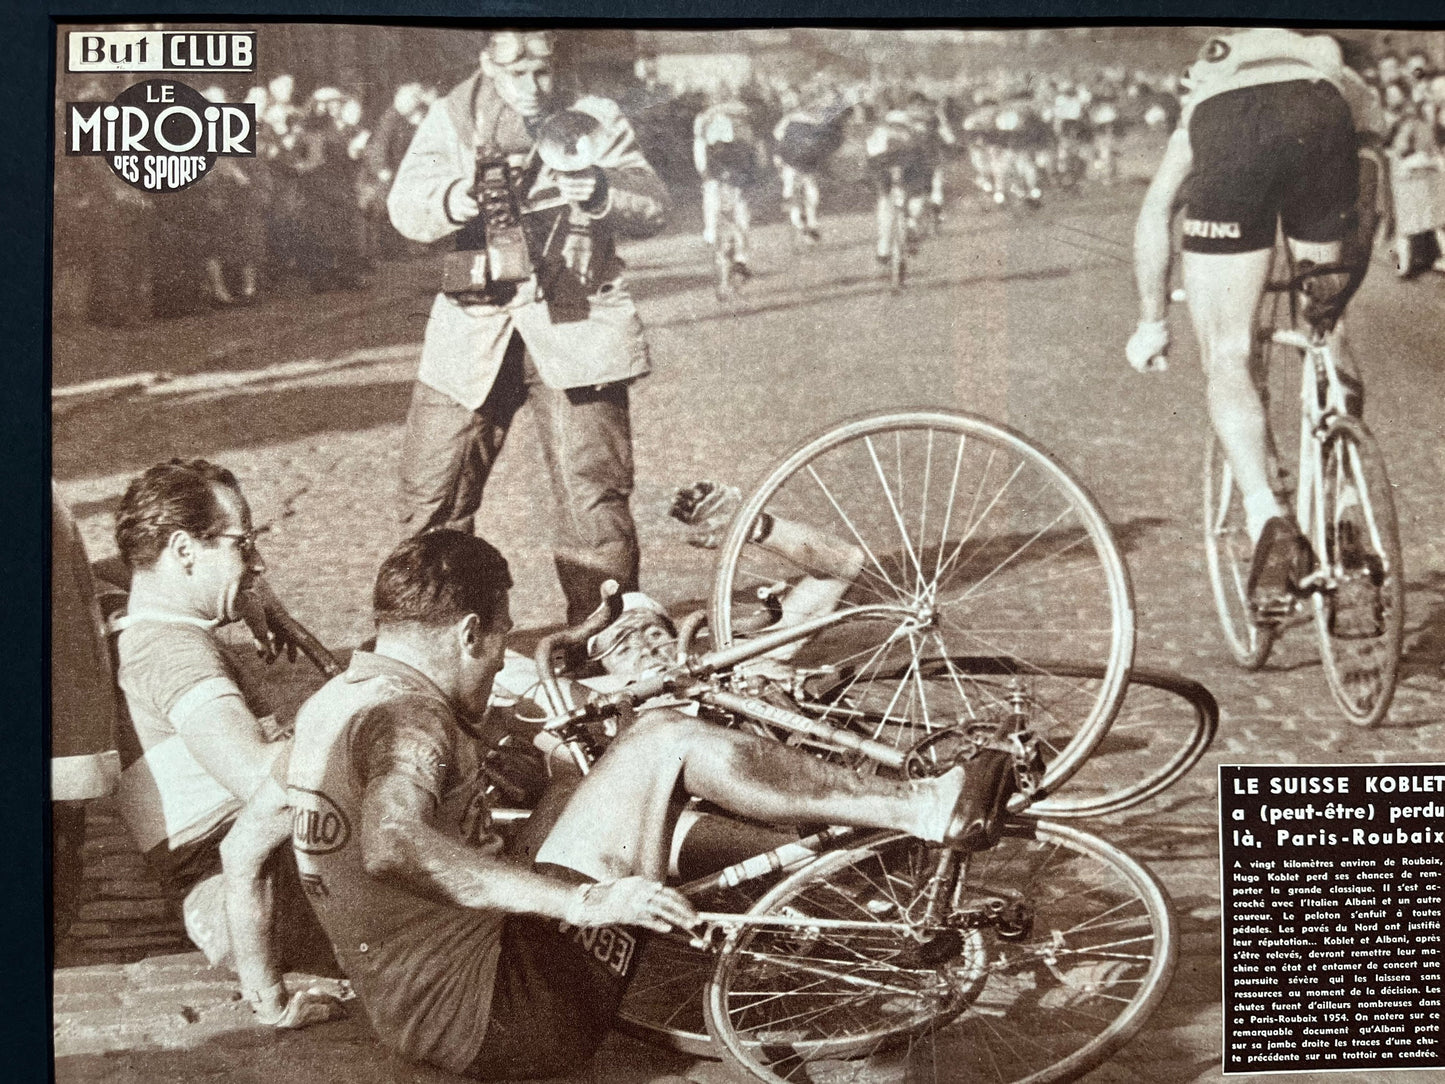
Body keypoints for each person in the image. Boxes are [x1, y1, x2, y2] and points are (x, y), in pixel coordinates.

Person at [287, 529, 1015, 1079]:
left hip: (421, 1015)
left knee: (574, 788)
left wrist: (266, 985)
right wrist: (585, 902)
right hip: (507, 1018)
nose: (499, 654)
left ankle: (840, 868)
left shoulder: (334, 703)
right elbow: (394, 844)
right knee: (663, 737)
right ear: (469, 632)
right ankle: (922, 807)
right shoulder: (410, 717)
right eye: (501, 634)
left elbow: (267, 831)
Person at [387, 29, 669, 631]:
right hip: (473, 329)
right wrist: (455, 198)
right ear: (487, 62)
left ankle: (604, 640)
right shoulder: (453, 115)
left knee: (593, 499)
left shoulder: (594, 115)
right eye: (516, 73)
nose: (533, 86)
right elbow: (405, 204)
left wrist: (602, 190)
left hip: (576, 326)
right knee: (431, 494)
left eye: (542, 70)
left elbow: (653, 202)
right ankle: (427, 641)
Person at [1125, 29, 1384, 615]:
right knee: (1327, 334)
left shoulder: (1207, 80)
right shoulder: (1347, 79)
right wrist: (1337, 293)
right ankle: (1346, 506)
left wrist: (1152, 321)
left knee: (1228, 352)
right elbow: (1369, 198)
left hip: (1229, 126)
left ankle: (1268, 519)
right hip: (1321, 116)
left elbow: (1157, 210)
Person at [110, 459, 343, 1028]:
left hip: (254, 881)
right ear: (183, 549)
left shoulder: (134, 618)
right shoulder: (174, 652)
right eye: (245, 544)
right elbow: (268, 784)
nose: (258, 563)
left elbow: (104, 569)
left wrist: (254, 593)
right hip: (271, 898)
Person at [693, 91, 763, 277]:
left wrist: (704, 174)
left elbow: (700, 149)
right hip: (739, 172)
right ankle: (741, 258)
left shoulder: (704, 118)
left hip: (715, 172)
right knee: (741, 214)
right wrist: (754, 173)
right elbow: (754, 148)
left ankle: (711, 234)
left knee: (713, 206)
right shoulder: (742, 115)